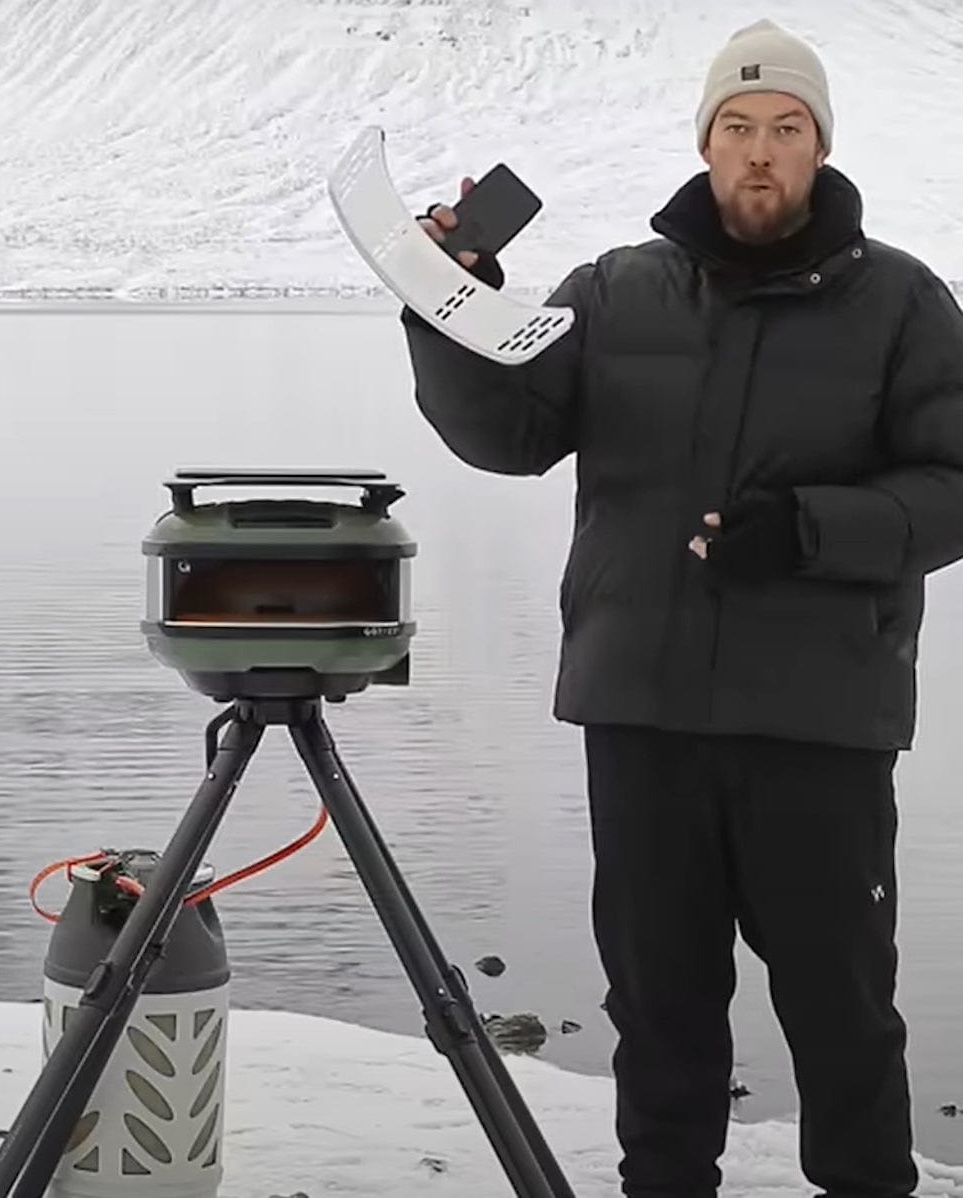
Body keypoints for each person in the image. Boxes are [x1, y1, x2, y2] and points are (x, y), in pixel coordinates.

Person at [400, 17, 963, 1198]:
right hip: (644, 712)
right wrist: (448, 306)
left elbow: (955, 487)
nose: (761, 152)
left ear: (819, 148)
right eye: (739, 129)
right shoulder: (613, 292)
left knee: (841, 999)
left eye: (786, 130)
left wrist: (812, 531)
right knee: (658, 1005)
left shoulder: (907, 305)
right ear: (707, 145)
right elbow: (509, 433)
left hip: (818, 722)